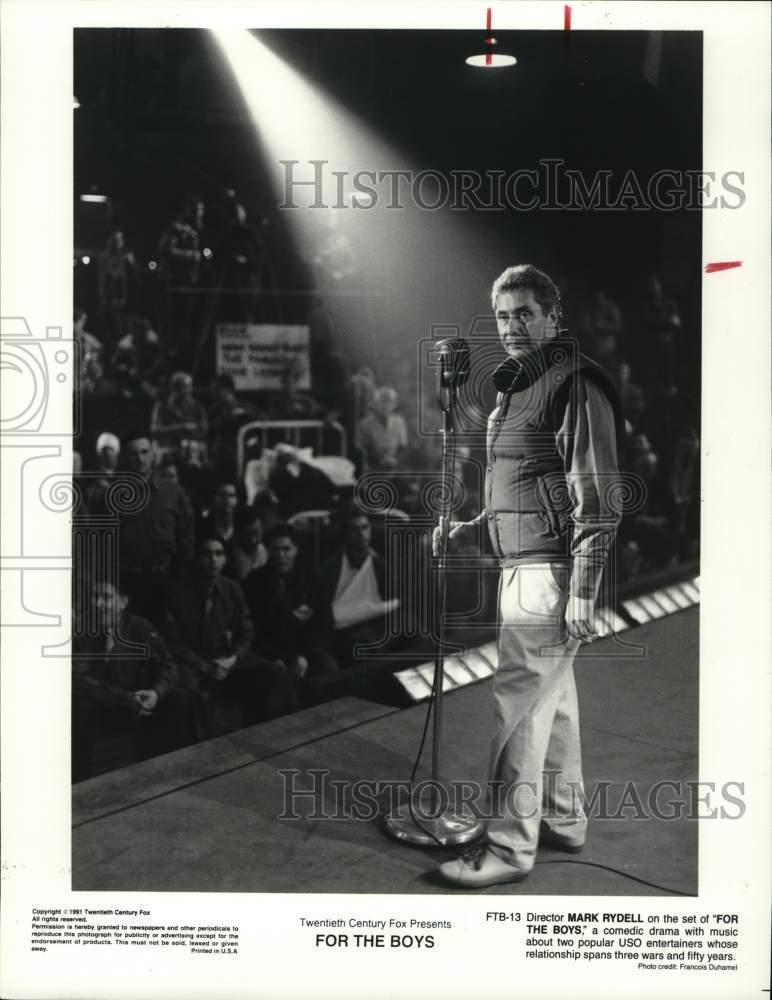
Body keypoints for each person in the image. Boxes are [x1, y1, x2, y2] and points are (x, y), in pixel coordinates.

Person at [435, 264, 622, 888]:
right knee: (554, 699)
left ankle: (507, 848)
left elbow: (596, 496)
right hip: (526, 563)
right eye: (503, 315)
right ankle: (564, 820)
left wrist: (585, 590)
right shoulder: (520, 386)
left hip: (550, 573)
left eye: (524, 314)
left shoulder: (574, 384)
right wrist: (469, 526)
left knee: (517, 705)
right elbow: (527, 485)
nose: (512, 326)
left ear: (552, 317)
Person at [163, 535, 296, 737]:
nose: (213, 560)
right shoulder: (178, 591)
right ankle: (211, 752)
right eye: (207, 554)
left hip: (225, 658)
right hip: (191, 660)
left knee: (275, 673)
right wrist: (203, 666)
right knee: (189, 694)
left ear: (225, 558)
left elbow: (246, 630)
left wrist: (233, 658)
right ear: (197, 558)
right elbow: (173, 642)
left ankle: (281, 734)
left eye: (219, 554)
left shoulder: (231, 588)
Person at [72, 577, 194, 780]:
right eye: (94, 597)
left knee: (180, 699)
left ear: (122, 602)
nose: (99, 604)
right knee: (77, 708)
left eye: (106, 597)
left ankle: (171, 774)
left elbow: (168, 666)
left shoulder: (139, 627)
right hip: (103, 703)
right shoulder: (83, 629)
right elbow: (77, 678)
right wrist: (124, 698)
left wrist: (156, 693)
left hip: (140, 701)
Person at [90, 431, 195, 626]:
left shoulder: (171, 491)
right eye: (133, 453)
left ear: (153, 454)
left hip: (165, 582)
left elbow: (186, 534)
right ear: (124, 457)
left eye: (145, 452)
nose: (140, 459)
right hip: (126, 584)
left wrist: (180, 577)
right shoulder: (110, 495)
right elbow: (99, 543)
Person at [243, 524, 338, 683]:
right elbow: (254, 628)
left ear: (296, 550)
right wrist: (273, 658)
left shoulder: (311, 580)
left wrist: (305, 656)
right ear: (267, 550)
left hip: (306, 651)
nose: (281, 555)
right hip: (269, 653)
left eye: (286, 549)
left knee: (329, 668)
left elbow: (324, 625)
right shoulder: (254, 582)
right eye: (275, 549)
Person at [319, 507, 399, 669]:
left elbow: (392, 601)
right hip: (338, 633)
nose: (361, 534)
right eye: (354, 530)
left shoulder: (380, 565)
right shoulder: (330, 568)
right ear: (345, 534)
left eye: (365, 528)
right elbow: (323, 610)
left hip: (371, 629)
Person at [357, 386, 408, 471]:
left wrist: (393, 459)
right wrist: (379, 460)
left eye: (389, 402)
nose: (385, 406)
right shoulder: (366, 423)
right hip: (373, 467)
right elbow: (362, 449)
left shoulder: (399, 422)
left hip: (394, 466)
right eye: (381, 402)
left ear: (395, 404)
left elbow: (402, 447)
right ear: (375, 404)